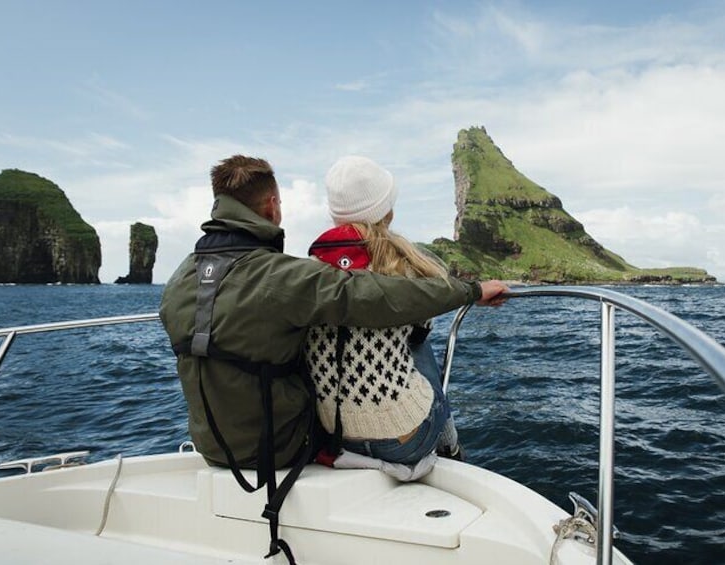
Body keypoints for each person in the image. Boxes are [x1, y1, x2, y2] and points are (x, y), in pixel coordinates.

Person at [159, 154, 507, 561]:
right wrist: (469, 292)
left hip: (212, 446)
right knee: (413, 337)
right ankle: (447, 448)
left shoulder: (183, 276)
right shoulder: (277, 275)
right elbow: (374, 297)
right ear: (272, 204)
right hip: (284, 446)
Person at [305, 155, 467, 466]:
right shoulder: (407, 271)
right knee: (418, 342)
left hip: (332, 435)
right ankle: (451, 447)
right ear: (388, 213)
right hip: (403, 442)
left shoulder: (308, 272)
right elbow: (424, 324)